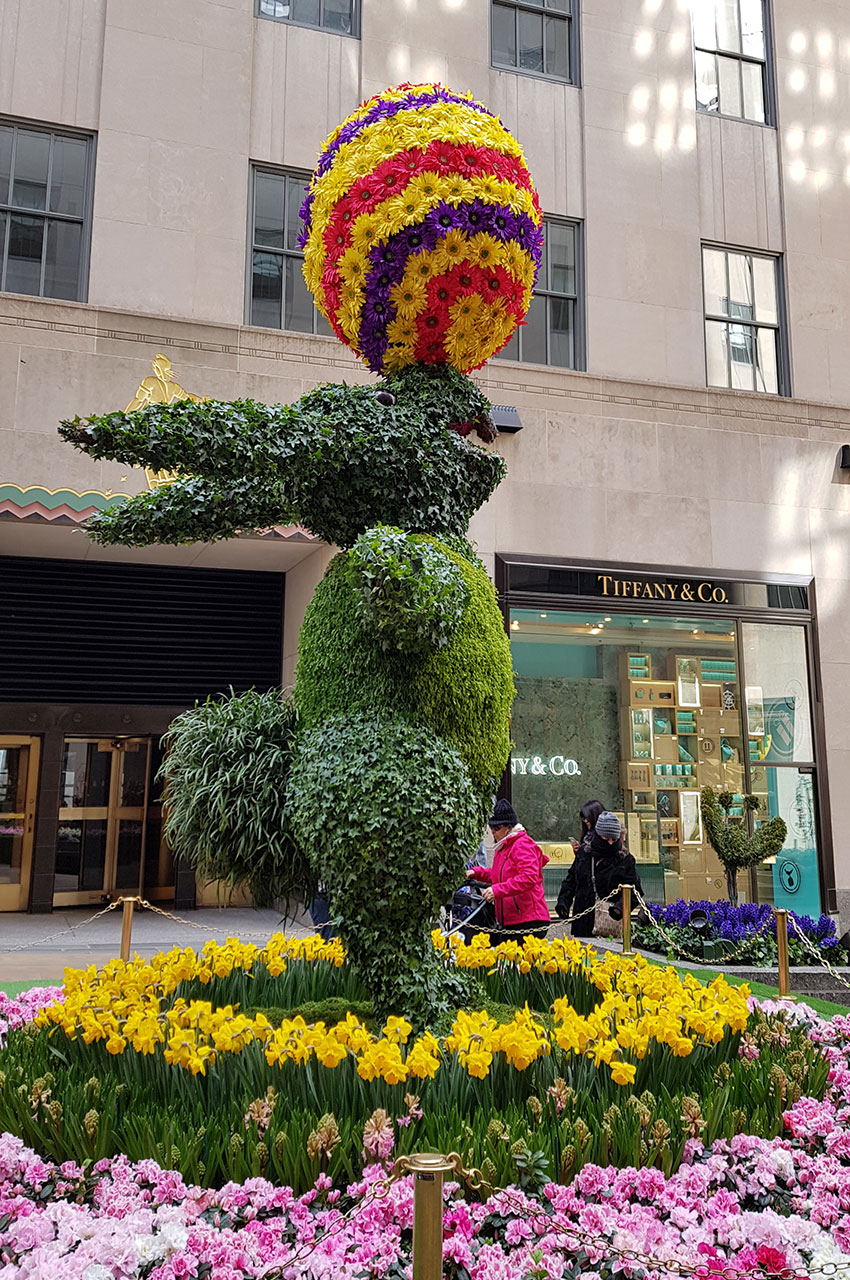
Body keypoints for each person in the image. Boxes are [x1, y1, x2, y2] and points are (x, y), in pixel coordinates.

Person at [466, 797, 550, 944]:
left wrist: (497, 890)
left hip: (529, 920)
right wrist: (476, 872)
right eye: (491, 827)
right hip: (513, 920)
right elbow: (498, 875)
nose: (493, 832)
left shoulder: (521, 844)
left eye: (497, 828)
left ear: (509, 827)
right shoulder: (503, 846)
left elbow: (529, 877)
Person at [558, 809, 641, 938]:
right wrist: (564, 902)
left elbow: (636, 892)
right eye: (606, 838)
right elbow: (571, 880)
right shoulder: (584, 854)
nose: (610, 843)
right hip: (582, 922)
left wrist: (619, 909)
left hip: (609, 922)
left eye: (614, 839)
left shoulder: (625, 859)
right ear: (597, 835)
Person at [555, 800, 604, 935]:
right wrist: (564, 902)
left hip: (601, 911)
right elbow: (573, 877)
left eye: (588, 817)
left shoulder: (608, 847)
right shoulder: (584, 846)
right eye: (583, 818)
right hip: (582, 909)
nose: (585, 820)